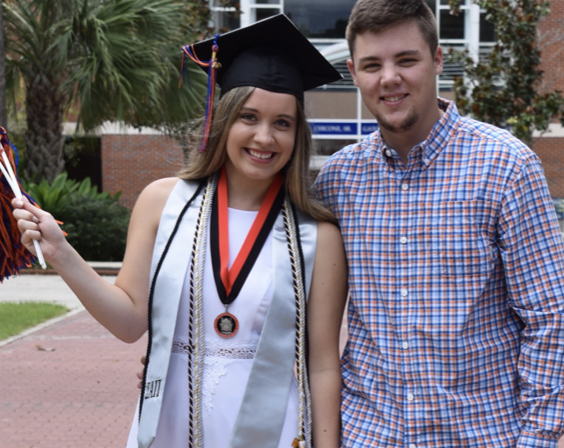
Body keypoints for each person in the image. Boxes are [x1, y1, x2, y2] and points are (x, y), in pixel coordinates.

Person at [12, 14, 346, 448]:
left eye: (282, 122)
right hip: (170, 423)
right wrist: (61, 253)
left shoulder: (316, 236)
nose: (265, 137)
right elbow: (130, 321)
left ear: (298, 133)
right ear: (224, 118)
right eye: (249, 116)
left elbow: (322, 365)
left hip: (274, 431)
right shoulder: (164, 203)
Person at [314, 1, 564, 447]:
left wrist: (536, 438)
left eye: (407, 59)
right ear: (354, 73)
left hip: (479, 435)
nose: (389, 78)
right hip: (369, 434)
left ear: (438, 60)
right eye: (372, 64)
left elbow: (550, 318)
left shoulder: (506, 166)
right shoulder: (338, 179)